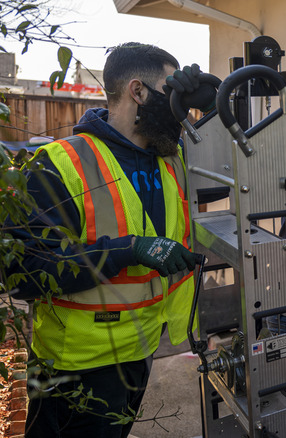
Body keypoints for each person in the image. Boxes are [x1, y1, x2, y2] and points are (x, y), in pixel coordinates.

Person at [7, 42, 214, 437]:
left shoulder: (173, 159)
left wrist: (217, 106)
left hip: (139, 352)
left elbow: (238, 175)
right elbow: (23, 272)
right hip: (73, 368)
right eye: (172, 95)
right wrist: (129, 249)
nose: (178, 109)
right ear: (138, 92)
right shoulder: (59, 163)